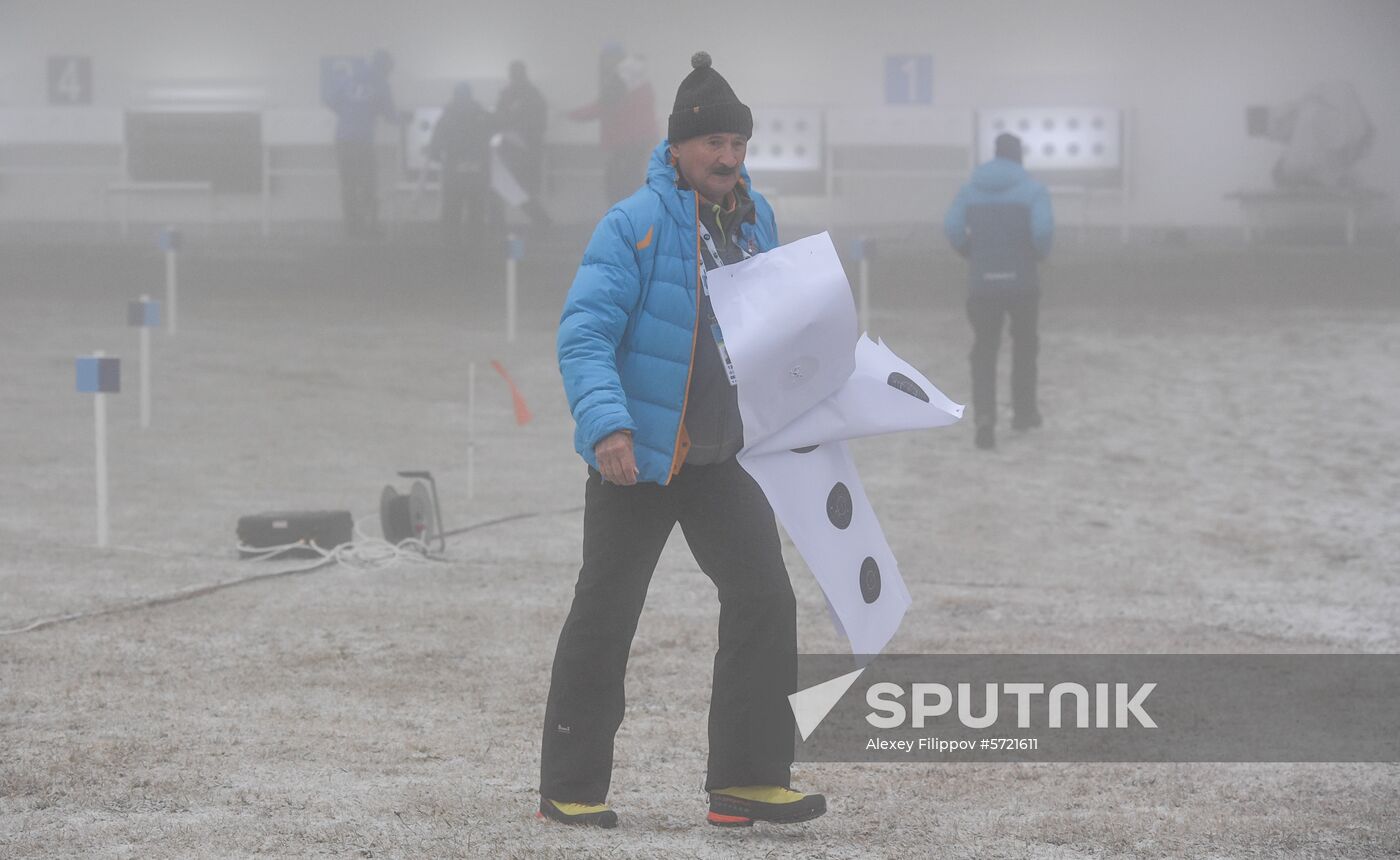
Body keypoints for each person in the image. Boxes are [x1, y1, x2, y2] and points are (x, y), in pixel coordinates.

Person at [539, 51, 826, 830]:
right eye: (712, 145)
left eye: (737, 145)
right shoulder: (632, 225)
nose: (728, 159)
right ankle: (570, 787)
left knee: (766, 599)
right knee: (606, 614)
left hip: (720, 456)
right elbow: (585, 333)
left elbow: (772, 330)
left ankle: (746, 781)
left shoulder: (758, 220)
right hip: (640, 458)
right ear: (678, 150)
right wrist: (609, 426)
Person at [943, 132, 1054, 450]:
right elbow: (1044, 230)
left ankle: (984, 419)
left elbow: (951, 227)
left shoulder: (970, 190)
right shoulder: (1034, 191)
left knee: (984, 350)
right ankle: (1023, 413)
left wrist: (969, 251)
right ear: (1019, 157)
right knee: (1024, 347)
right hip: (1022, 282)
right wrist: (1038, 253)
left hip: (982, 283)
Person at [567, 45, 660, 206]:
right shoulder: (642, 84)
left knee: (618, 185)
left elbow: (600, 107)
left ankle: (624, 224)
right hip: (640, 142)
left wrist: (570, 114)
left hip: (625, 144)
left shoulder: (619, 83)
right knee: (631, 182)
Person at [325, 50, 398, 238]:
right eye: (389, 69)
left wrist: (350, 113)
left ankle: (351, 227)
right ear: (384, 68)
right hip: (363, 140)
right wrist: (405, 119)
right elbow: (390, 115)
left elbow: (331, 100)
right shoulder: (381, 84)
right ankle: (371, 227)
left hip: (342, 139)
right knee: (368, 183)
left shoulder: (348, 79)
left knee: (348, 184)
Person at [427, 81, 497, 242]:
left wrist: (436, 154)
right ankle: (476, 247)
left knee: (451, 209)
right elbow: (495, 129)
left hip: (454, 168)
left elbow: (435, 145)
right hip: (478, 167)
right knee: (477, 209)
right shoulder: (482, 115)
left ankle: (451, 248)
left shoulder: (447, 117)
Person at [494, 60, 551, 227]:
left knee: (513, 187)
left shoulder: (513, 94)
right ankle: (541, 221)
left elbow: (500, 119)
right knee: (522, 188)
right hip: (524, 148)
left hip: (518, 149)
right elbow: (540, 124)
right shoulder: (533, 94)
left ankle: (540, 221)